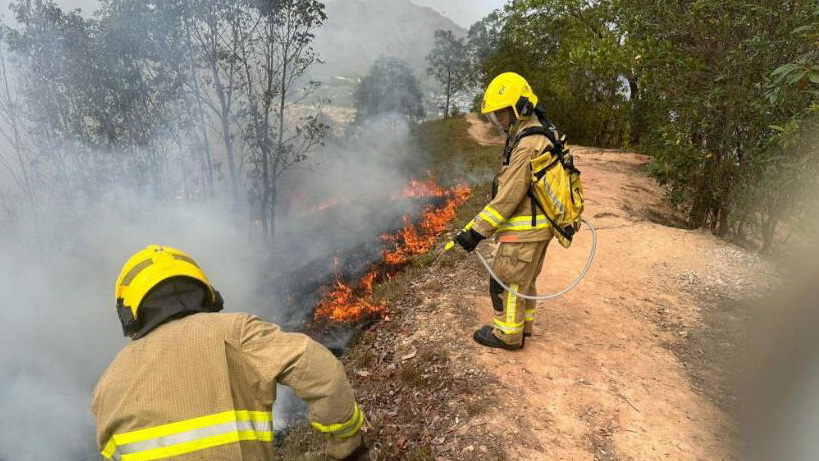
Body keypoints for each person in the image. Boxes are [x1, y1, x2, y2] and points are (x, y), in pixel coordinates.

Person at [92, 245, 366, 460]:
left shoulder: (107, 385)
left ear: (131, 312)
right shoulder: (235, 331)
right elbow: (322, 373)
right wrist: (346, 446)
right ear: (204, 290)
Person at [455, 72, 555, 350]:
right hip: (539, 226)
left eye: (502, 112)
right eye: (495, 114)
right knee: (525, 281)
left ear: (520, 107)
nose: (499, 119)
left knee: (506, 281)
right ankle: (525, 328)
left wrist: (475, 232)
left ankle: (508, 335)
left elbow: (508, 197)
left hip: (525, 227)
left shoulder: (527, 144)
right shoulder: (540, 132)